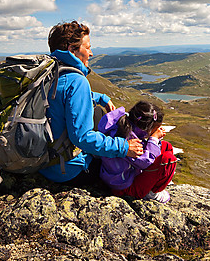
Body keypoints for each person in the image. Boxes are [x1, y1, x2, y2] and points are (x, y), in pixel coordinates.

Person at [40, 21, 144, 184]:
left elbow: (62, 97)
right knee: (123, 171)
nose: (91, 53)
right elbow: (81, 138)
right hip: (67, 171)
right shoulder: (76, 82)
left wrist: (101, 98)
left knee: (96, 112)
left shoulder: (49, 73)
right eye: (87, 47)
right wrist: (124, 148)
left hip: (45, 163)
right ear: (72, 50)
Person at [98, 101, 177, 203]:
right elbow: (144, 162)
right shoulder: (128, 140)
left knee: (166, 146)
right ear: (146, 128)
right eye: (155, 129)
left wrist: (154, 139)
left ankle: (154, 183)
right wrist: (154, 139)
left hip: (120, 177)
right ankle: (152, 192)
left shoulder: (125, 126)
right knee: (168, 159)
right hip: (124, 188)